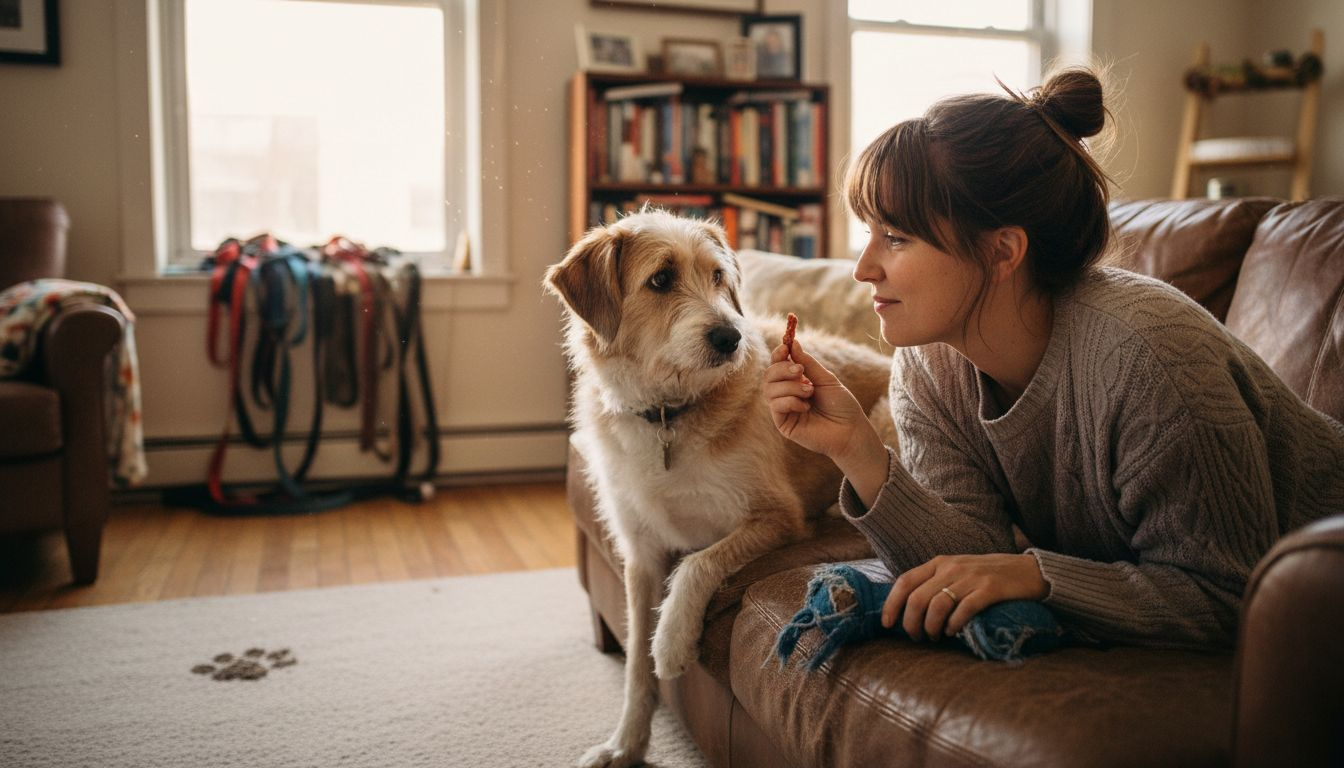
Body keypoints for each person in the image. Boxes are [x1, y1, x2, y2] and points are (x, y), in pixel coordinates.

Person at [763, 67, 1344, 650]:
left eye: (894, 236)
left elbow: (1228, 597)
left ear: (1002, 251)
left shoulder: (1148, 355)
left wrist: (1036, 575)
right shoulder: (930, 363)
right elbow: (968, 563)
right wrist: (856, 449)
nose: (864, 267)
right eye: (868, 232)